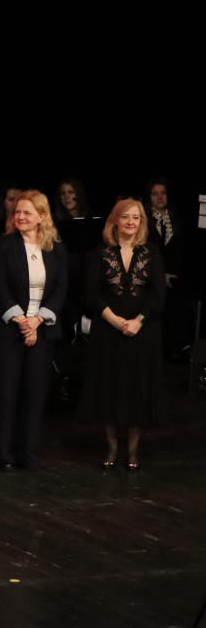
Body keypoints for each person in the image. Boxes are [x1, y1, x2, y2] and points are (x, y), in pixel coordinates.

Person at [0, 191, 67, 470]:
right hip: (7, 331)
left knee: (35, 394)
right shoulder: (4, 245)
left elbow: (60, 289)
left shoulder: (55, 247)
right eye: (17, 212)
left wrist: (37, 321)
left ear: (42, 217)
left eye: (27, 213)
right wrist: (21, 321)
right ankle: (4, 455)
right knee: (6, 394)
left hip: (41, 331)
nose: (20, 217)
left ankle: (28, 454)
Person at [82, 198, 165, 471]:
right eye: (125, 217)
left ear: (141, 223)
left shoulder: (151, 252)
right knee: (110, 387)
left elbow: (158, 295)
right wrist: (115, 320)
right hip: (108, 329)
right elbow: (91, 293)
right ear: (115, 220)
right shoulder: (101, 252)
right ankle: (112, 447)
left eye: (136, 218)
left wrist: (139, 321)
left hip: (142, 330)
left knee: (136, 389)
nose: (131, 222)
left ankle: (132, 451)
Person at [145, 177, 192, 362]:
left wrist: (171, 272)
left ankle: (180, 345)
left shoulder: (176, 218)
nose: (159, 197)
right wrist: (160, 274)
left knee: (178, 292)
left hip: (173, 272)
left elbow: (179, 250)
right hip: (151, 272)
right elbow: (147, 251)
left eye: (162, 193)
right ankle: (172, 346)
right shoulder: (145, 220)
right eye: (155, 194)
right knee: (162, 294)